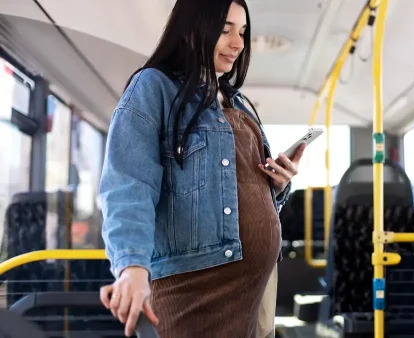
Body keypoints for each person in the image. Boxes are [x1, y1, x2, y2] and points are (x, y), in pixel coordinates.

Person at [97, 1, 305, 337]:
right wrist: (131, 266)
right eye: (225, 30)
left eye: (242, 32)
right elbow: (128, 184)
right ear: (192, 30)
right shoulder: (154, 88)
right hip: (193, 291)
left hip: (254, 293)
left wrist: (276, 187)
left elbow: (240, 187)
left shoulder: (237, 103)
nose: (238, 43)